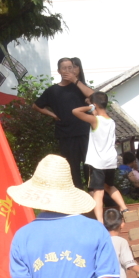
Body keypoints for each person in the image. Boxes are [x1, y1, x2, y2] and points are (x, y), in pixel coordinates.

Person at [36, 58, 95, 188]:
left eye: (71, 67)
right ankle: (76, 200)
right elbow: (36, 106)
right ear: (59, 71)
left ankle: (93, 197)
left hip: (84, 131)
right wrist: (53, 115)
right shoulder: (52, 91)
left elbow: (95, 96)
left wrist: (75, 80)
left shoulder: (79, 86)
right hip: (65, 134)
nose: (68, 70)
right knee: (71, 168)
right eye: (65, 68)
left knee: (89, 166)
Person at [84, 90, 127, 217]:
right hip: (110, 161)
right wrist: (93, 105)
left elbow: (75, 112)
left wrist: (89, 107)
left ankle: (100, 221)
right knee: (109, 186)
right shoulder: (111, 121)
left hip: (98, 162)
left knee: (98, 192)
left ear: (95, 105)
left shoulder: (94, 120)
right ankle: (124, 208)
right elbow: (98, 115)